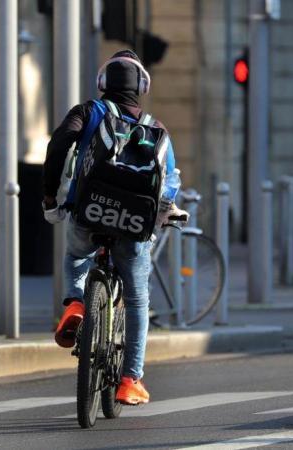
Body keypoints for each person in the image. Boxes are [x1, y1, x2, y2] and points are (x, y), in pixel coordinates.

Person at [42, 50, 188, 406]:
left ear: (103, 83)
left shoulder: (88, 112)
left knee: (77, 257)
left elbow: (59, 144)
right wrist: (163, 213)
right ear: (141, 86)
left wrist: (51, 198)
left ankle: (76, 305)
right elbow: (169, 181)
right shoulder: (156, 128)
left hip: (88, 213)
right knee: (137, 299)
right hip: (134, 226)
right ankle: (130, 380)